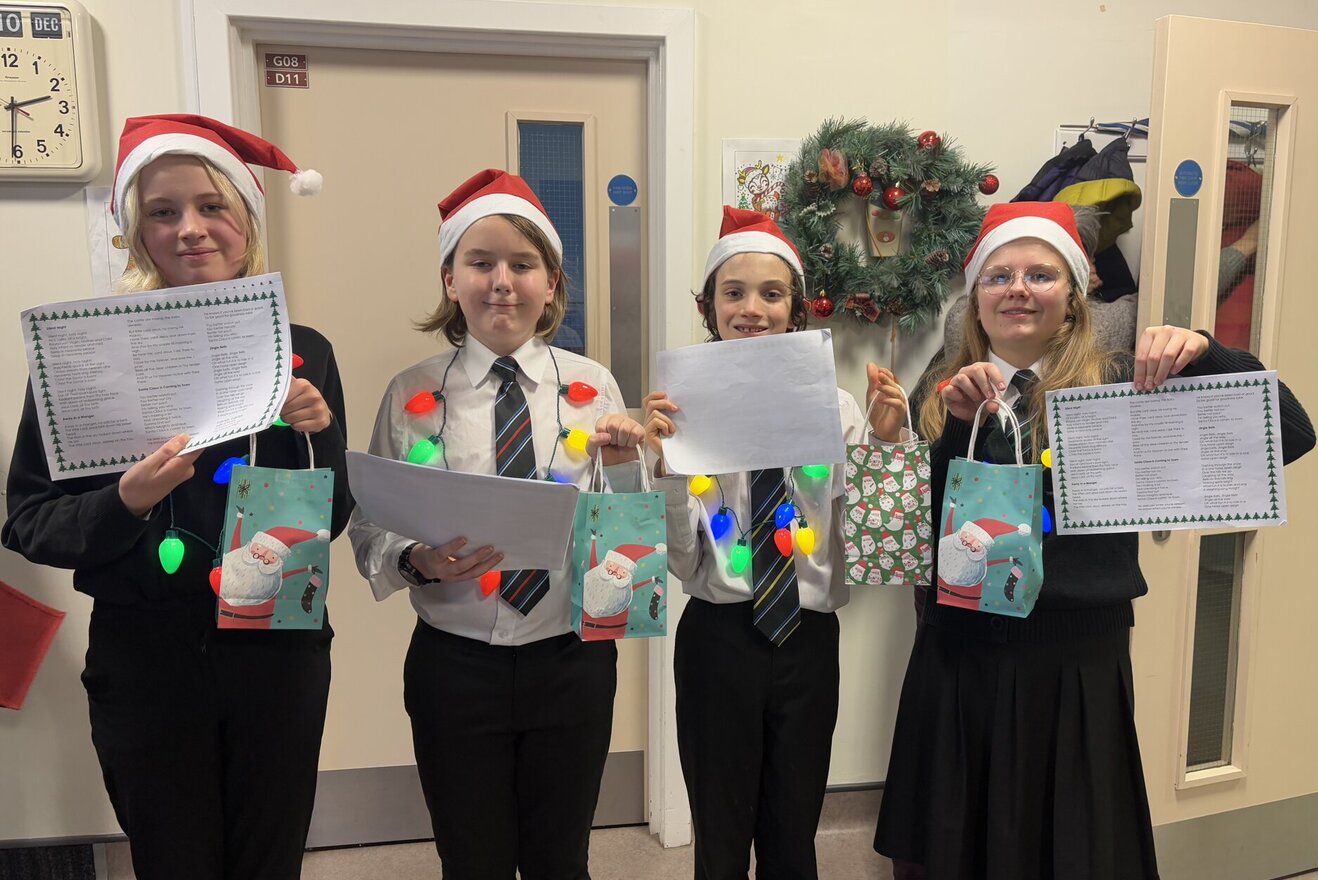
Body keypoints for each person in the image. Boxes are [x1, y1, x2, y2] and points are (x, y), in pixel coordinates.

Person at [873, 201, 1316, 879]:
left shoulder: (1123, 389)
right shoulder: (935, 394)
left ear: (1074, 298)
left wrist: (1205, 352)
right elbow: (908, 537)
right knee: (955, 851)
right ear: (974, 301)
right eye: (999, 277)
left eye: (1041, 275)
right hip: (961, 659)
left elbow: (1288, 434)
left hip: (1076, 659)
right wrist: (944, 435)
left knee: (1069, 848)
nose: (1018, 289)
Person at [2, 114, 351, 879]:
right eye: (164, 212)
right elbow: (29, 522)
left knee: (269, 862)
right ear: (137, 231)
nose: (191, 229)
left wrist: (318, 435)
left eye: (211, 207)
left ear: (246, 221)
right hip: (146, 661)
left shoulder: (305, 350)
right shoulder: (82, 354)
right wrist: (122, 502)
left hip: (278, 652)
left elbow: (334, 517)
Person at [348, 169, 646, 880]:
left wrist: (629, 465)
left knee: (560, 858)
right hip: (456, 664)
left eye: (523, 264)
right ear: (451, 280)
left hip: (570, 659)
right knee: (471, 859)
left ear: (551, 283)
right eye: (481, 263)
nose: (502, 282)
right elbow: (368, 523)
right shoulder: (412, 392)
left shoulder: (592, 384)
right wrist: (416, 560)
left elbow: (625, 518)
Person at [643, 206, 906, 880]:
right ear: (709, 306)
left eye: (771, 293)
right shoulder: (683, 410)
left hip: (807, 640)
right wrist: (667, 473)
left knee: (793, 831)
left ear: (795, 309)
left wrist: (881, 443)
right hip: (718, 637)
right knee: (722, 835)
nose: (752, 308)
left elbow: (872, 533)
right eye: (734, 292)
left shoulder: (836, 408)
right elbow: (681, 559)